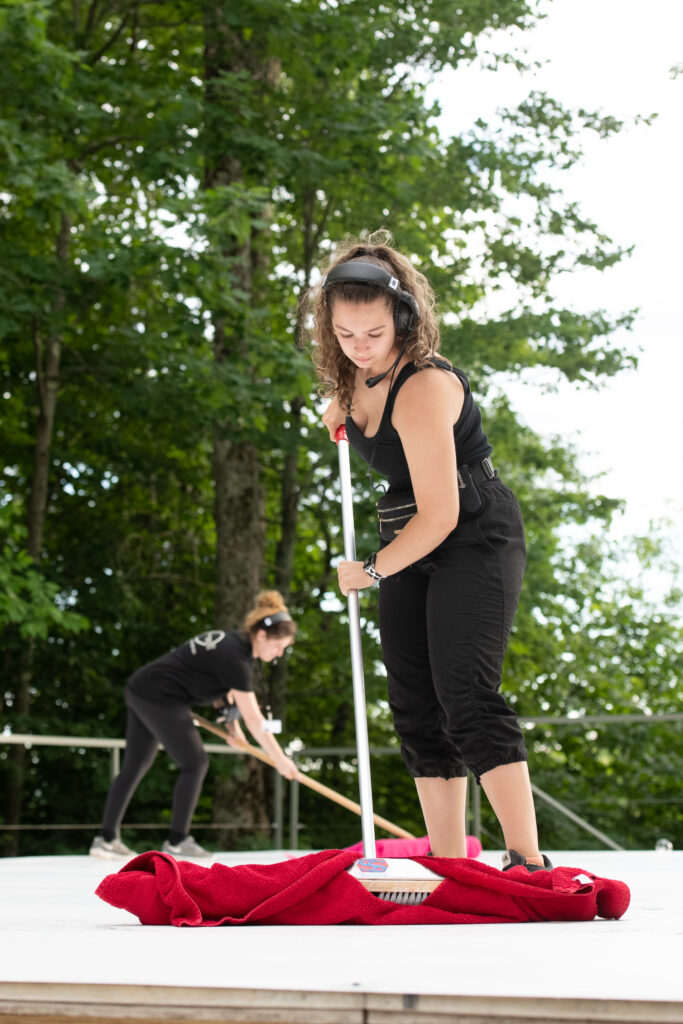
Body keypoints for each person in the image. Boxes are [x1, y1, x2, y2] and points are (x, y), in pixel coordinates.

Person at [310, 231, 551, 871]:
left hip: (469, 532)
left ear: (405, 320)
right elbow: (349, 408)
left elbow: (440, 513)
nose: (359, 346)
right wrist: (339, 411)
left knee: (465, 695)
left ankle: (526, 860)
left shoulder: (424, 387)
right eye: (344, 333)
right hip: (405, 537)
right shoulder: (358, 378)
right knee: (415, 704)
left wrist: (368, 571)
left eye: (373, 333)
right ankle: (448, 863)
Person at [89, 591, 299, 859]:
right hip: (161, 697)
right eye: (279, 646)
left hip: (141, 688)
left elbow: (223, 690)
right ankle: (178, 841)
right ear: (261, 635)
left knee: (135, 765)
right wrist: (280, 759)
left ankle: (105, 840)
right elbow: (255, 719)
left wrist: (231, 728)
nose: (280, 653)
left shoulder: (233, 645)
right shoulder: (237, 659)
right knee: (195, 762)